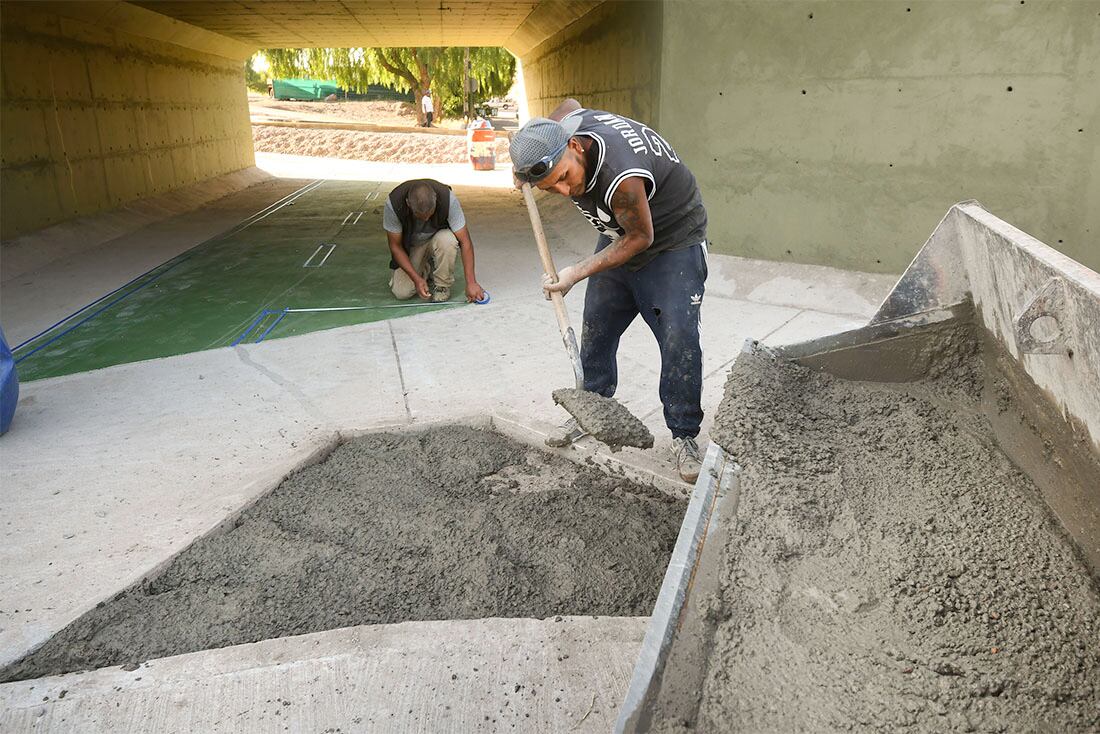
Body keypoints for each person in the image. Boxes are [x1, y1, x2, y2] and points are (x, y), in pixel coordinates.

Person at [510, 100, 708, 482]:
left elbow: (640, 238)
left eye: (565, 177)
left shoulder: (620, 175)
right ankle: (593, 408)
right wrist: (522, 165)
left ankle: (684, 435)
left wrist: (576, 272)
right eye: (552, 188)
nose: (566, 191)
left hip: (671, 240)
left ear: (576, 147)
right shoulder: (565, 128)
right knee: (597, 324)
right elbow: (568, 105)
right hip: (621, 232)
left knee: (678, 335)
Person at [383, 179, 486, 304]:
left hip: (438, 240)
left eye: (430, 214)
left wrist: (471, 282)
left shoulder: (448, 199)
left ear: (436, 199)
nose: (426, 219)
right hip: (412, 247)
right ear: (408, 204)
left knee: (448, 239)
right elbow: (395, 246)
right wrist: (416, 279)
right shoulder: (394, 204)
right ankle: (426, 269)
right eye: (419, 215)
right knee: (402, 292)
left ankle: (442, 285)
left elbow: (465, 241)